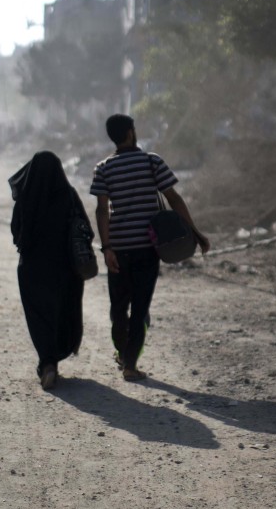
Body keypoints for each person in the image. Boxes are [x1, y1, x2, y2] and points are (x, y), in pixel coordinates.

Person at [90, 114, 210, 382]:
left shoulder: (103, 168)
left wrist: (107, 247)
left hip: (119, 248)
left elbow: (101, 211)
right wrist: (195, 232)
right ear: (131, 133)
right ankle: (130, 364)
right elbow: (174, 199)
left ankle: (122, 353)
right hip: (148, 247)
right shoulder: (151, 161)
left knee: (118, 306)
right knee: (140, 307)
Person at [9, 151, 91, 390]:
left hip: (32, 269)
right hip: (65, 268)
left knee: (39, 315)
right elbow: (84, 228)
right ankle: (55, 356)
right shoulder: (68, 194)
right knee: (63, 311)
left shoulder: (25, 196)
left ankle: (47, 362)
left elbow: (16, 232)